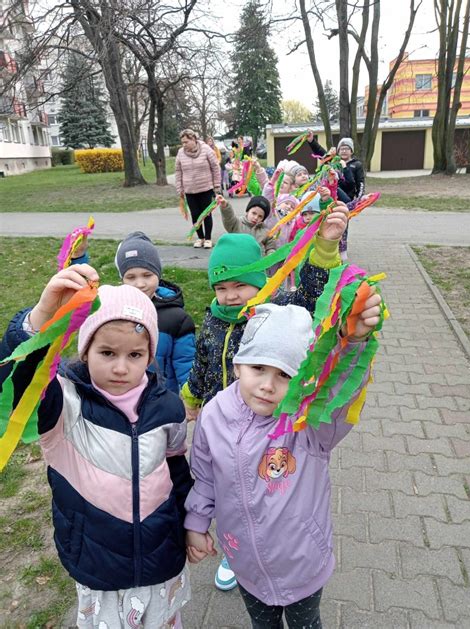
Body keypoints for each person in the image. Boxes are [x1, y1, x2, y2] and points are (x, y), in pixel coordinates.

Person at [0, 266, 193, 628]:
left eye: (135, 355)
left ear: (149, 356)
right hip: (97, 565)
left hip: (161, 558)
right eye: (107, 352)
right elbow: (16, 382)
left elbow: (177, 469)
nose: (121, 368)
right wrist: (41, 317)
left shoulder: (166, 405)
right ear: (86, 351)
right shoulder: (62, 405)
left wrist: (191, 524)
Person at [184, 298, 382, 629]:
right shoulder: (213, 414)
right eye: (258, 368)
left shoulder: (308, 423)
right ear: (238, 365)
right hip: (245, 563)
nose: (267, 385)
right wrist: (196, 523)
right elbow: (204, 476)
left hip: (301, 563)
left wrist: (355, 344)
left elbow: (339, 396)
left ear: (303, 381)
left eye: (284, 374)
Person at [181, 203, 348, 591]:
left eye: (240, 285)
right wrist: (192, 394)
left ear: (261, 283)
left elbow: (311, 295)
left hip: (269, 426)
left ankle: (273, 550)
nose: (230, 296)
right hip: (221, 424)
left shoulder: (275, 313)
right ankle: (236, 551)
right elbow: (204, 359)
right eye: (221, 288)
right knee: (228, 488)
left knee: (263, 491)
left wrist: (323, 248)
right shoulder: (212, 318)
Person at [115, 231, 196, 395]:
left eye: (147, 275)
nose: (140, 284)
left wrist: (190, 398)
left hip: (161, 398)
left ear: (158, 275)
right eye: (131, 277)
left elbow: (185, 363)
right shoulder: (113, 313)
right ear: (122, 279)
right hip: (121, 394)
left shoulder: (176, 318)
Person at [175, 128, 221, 249]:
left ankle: (208, 238)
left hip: (206, 189)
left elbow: (215, 167)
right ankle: (200, 238)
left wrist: (217, 186)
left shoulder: (206, 150)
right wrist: (179, 189)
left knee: (206, 215)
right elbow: (178, 171)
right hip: (190, 190)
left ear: (194, 139)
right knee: (195, 215)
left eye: (186, 142)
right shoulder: (180, 153)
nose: (184, 145)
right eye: (182, 142)